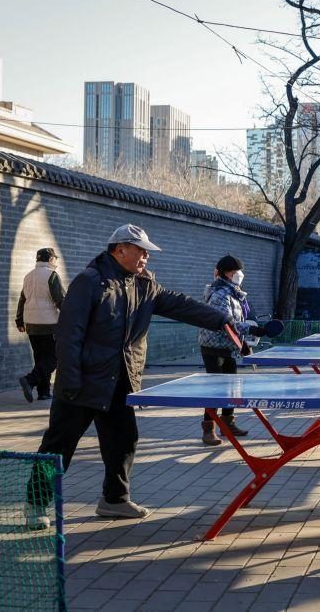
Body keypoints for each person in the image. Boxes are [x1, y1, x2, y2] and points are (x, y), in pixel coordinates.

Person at [25, 224, 231, 529]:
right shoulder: (89, 282)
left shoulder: (144, 285)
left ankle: (114, 501)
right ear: (120, 250)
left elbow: (181, 305)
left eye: (148, 251)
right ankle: (35, 503)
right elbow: (68, 336)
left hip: (119, 382)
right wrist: (68, 382)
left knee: (124, 441)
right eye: (141, 250)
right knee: (58, 446)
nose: (146, 256)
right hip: (82, 383)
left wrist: (224, 320)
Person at [197, 255, 269, 446]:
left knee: (232, 388)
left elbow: (235, 324)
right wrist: (252, 329)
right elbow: (228, 323)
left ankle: (228, 424)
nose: (239, 274)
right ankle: (208, 429)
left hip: (228, 347)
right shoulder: (221, 294)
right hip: (213, 347)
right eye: (235, 271)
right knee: (215, 390)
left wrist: (244, 340)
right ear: (227, 273)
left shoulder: (234, 293)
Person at [16, 247, 66, 402]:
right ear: (51, 259)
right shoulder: (52, 275)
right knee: (54, 358)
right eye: (54, 259)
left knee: (40, 359)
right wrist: (69, 318)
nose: (55, 262)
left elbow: (22, 299)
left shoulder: (28, 276)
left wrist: (19, 320)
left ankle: (43, 392)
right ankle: (29, 380)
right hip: (49, 324)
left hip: (31, 324)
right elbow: (61, 299)